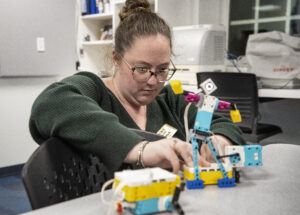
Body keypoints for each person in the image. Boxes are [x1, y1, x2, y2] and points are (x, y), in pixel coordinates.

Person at [29, 0, 245, 175]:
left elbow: (222, 123)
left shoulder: (171, 100)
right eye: (141, 69)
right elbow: (50, 103)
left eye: (162, 69)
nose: (153, 81)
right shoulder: (95, 92)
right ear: (116, 58)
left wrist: (218, 141)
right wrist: (139, 149)